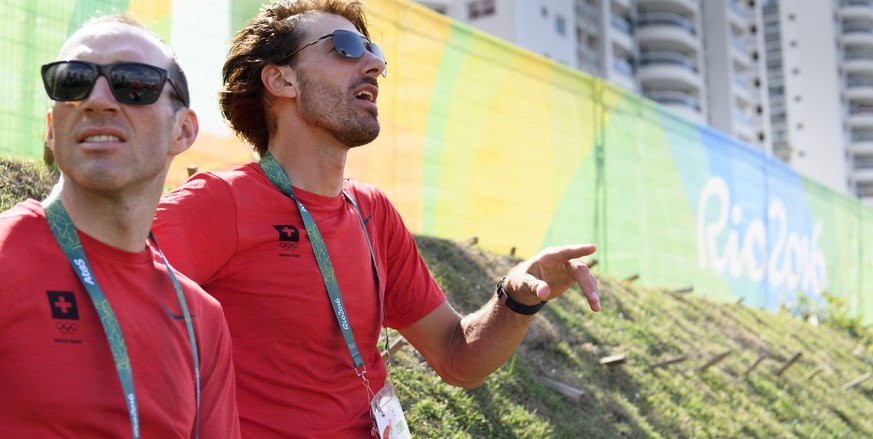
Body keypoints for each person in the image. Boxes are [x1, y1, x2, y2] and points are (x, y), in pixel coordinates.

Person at [153, 0, 599, 437]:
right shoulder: (220, 203)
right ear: (281, 80)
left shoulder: (374, 213)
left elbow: (457, 358)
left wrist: (516, 299)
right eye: (345, 46)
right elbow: (106, 298)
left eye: (375, 53)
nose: (373, 64)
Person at [0, 14, 240, 438]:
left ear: (182, 131)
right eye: (72, 80)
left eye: (133, 83)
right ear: (53, 129)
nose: (96, 100)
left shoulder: (201, 316)